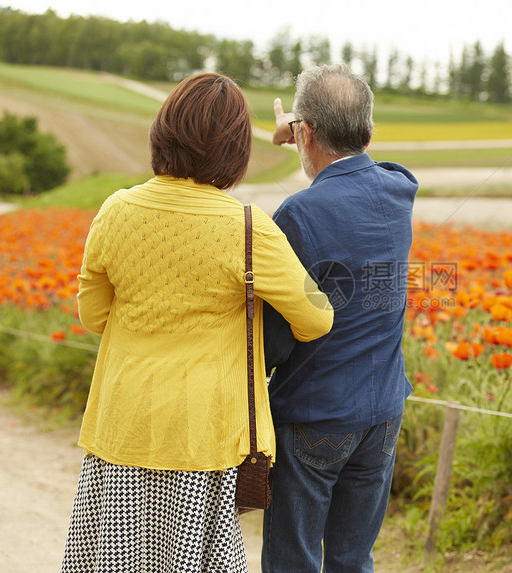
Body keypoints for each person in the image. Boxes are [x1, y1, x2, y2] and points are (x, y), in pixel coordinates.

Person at [61, 72, 334, 573]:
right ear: (235, 151)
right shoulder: (250, 229)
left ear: (162, 130)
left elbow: (93, 314)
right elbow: (316, 320)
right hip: (202, 435)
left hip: (120, 423)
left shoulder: (116, 210)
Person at [261, 64, 419, 573]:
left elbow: (278, 336)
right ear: (369, 132)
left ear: (303, 133)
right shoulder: (399, 192)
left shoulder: (299, 214)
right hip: (383, 414)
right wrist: (308, 132)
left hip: (316, 413)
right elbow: (376, 162)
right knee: (353, 558)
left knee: (295, 559)